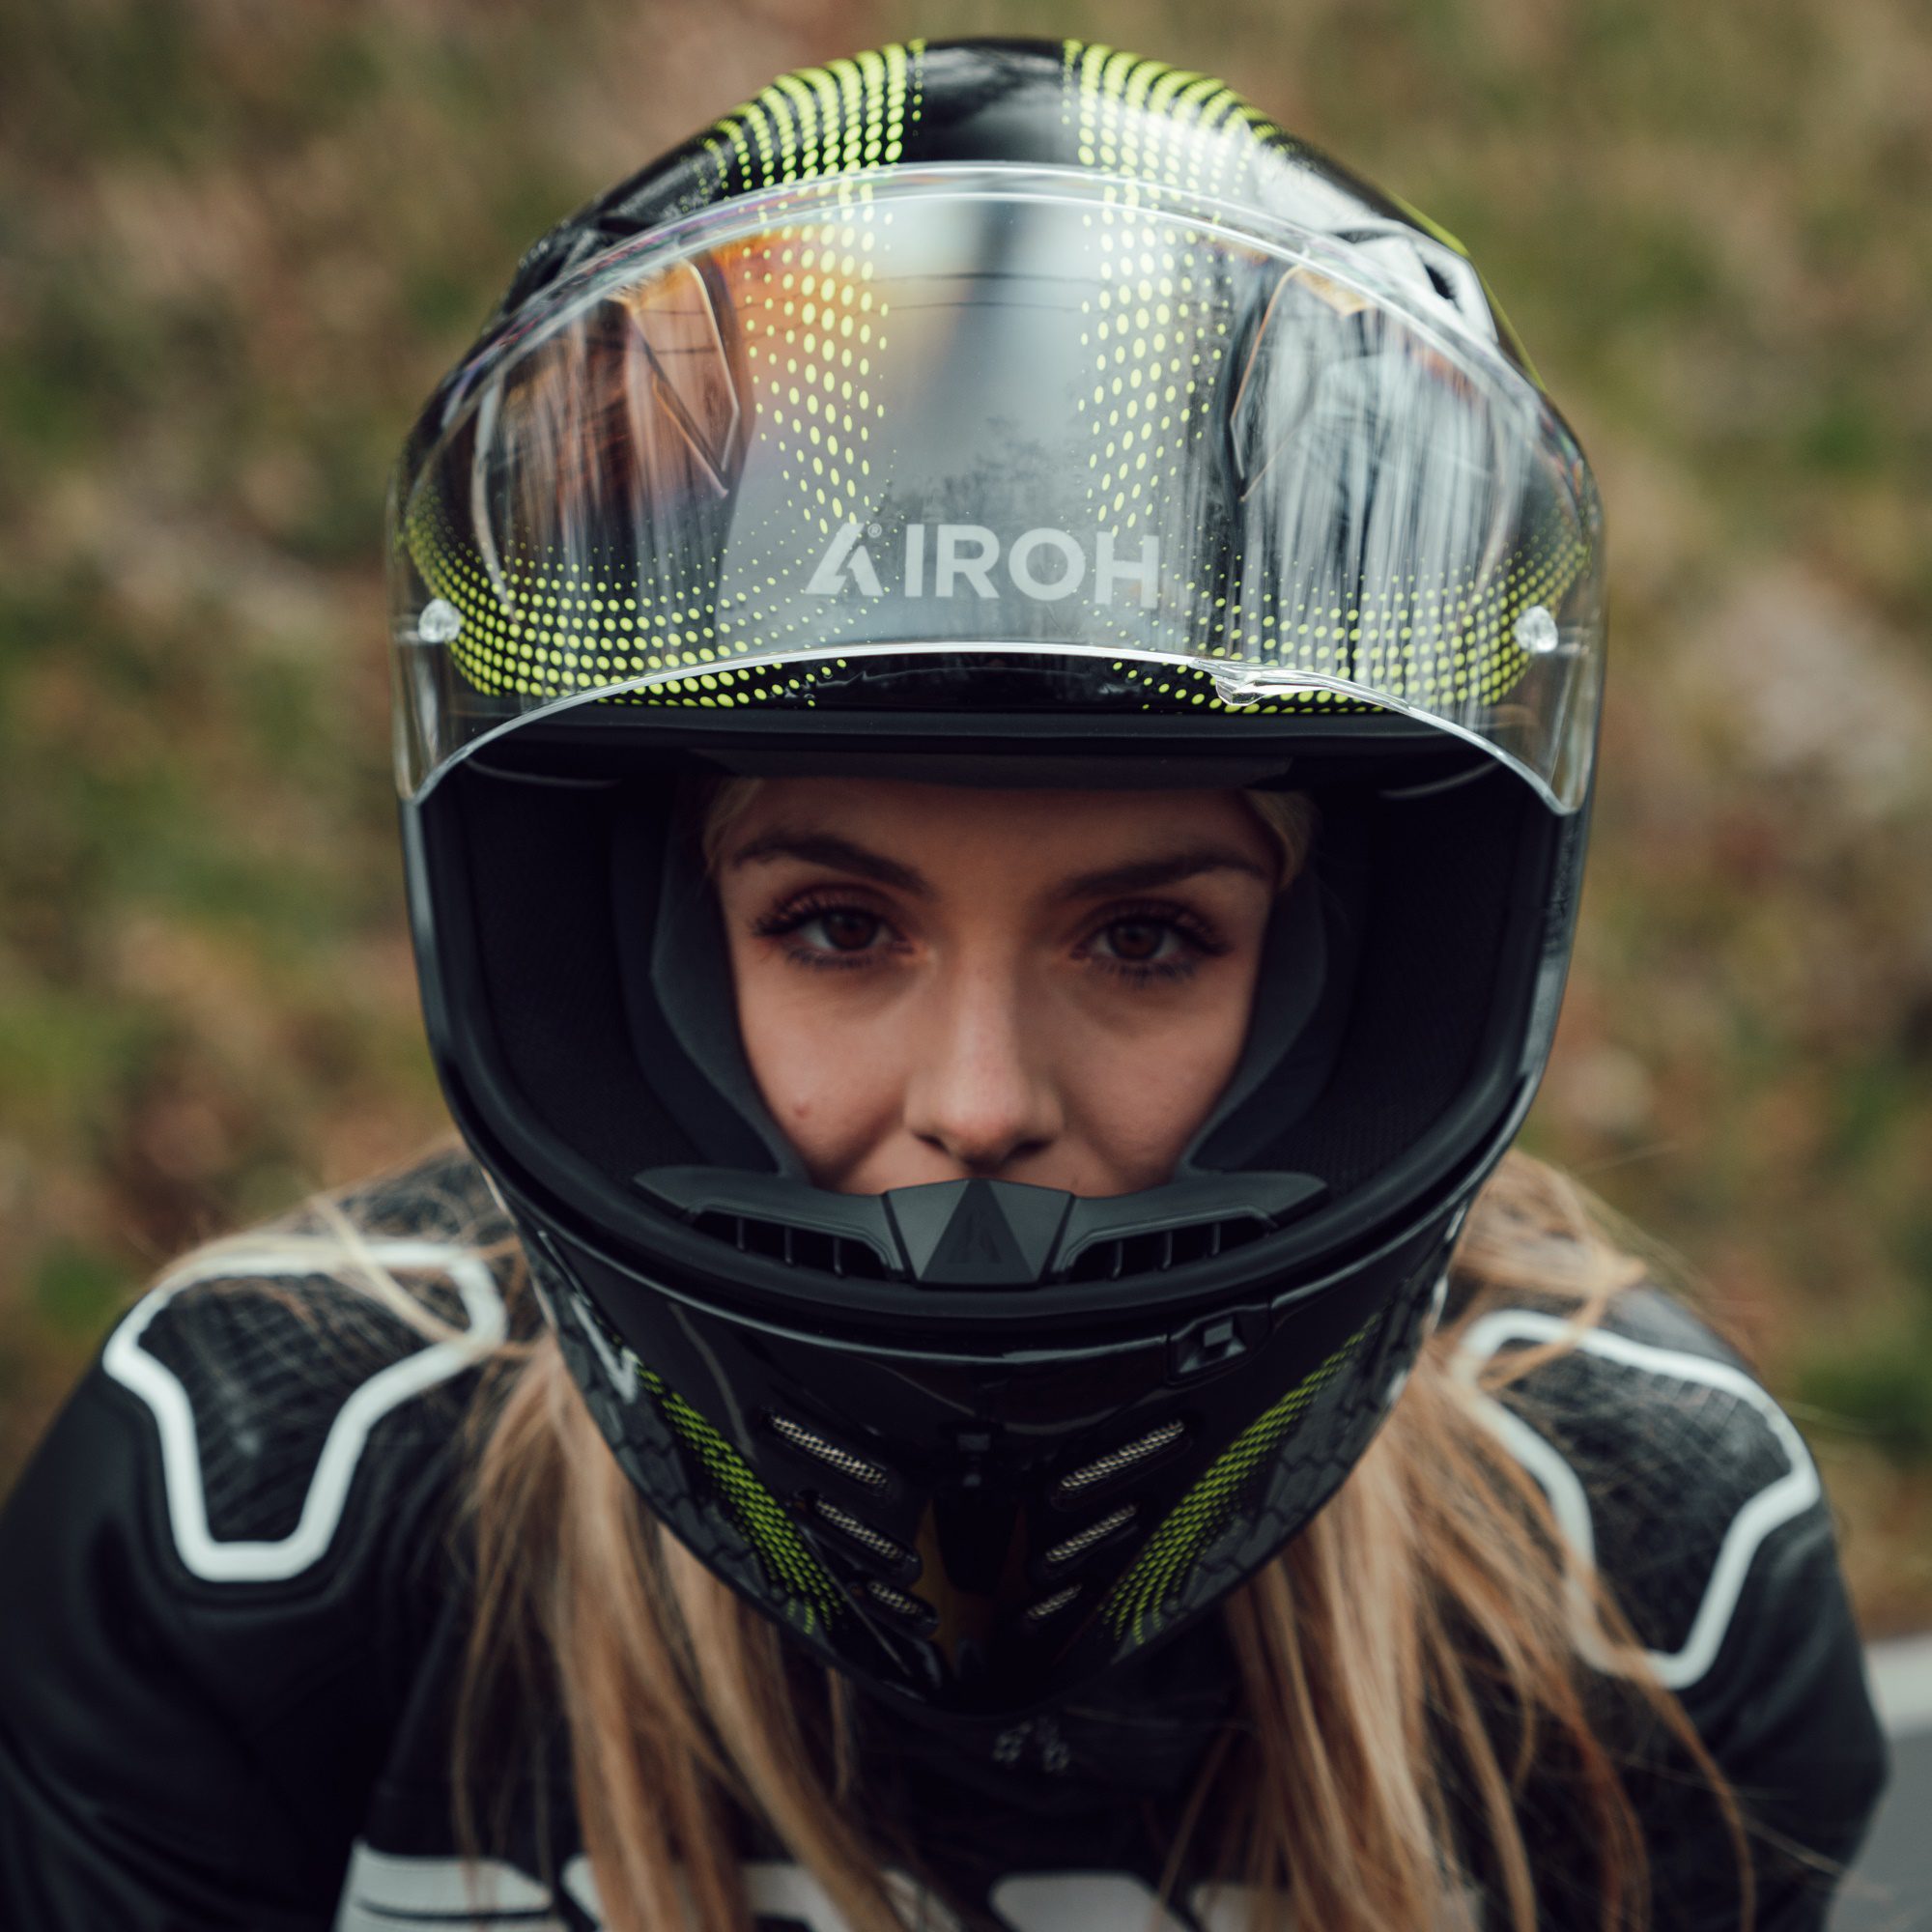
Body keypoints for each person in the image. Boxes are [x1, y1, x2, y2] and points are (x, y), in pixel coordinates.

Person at [0, 38, 1889, 1932]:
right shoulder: (258, 1500)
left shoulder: (1635, 1560)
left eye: (1145, 939)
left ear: (1352, 995)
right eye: (837, 927)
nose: (980, 1102)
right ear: (639, 963)